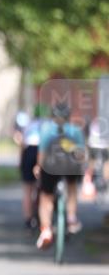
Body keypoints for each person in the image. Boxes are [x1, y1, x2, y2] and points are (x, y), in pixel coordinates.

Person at [34, 101, 86, 249]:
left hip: (50, 166)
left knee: (46, 197)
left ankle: (46, 230)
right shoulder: (75, 130)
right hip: (70, 166)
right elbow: (81, 154)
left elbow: (42, 153)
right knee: (72, 188)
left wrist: (38, 167)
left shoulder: (47, 129)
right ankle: (71, 218)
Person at [14, 109, 43, 228]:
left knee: (27, 189)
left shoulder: (28, 125)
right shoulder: (46, 125)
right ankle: (40, 215)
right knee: (42, 188)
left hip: (28, 151)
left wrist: (20, 161)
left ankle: (28, 219)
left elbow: (22, 143)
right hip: (42, 151)